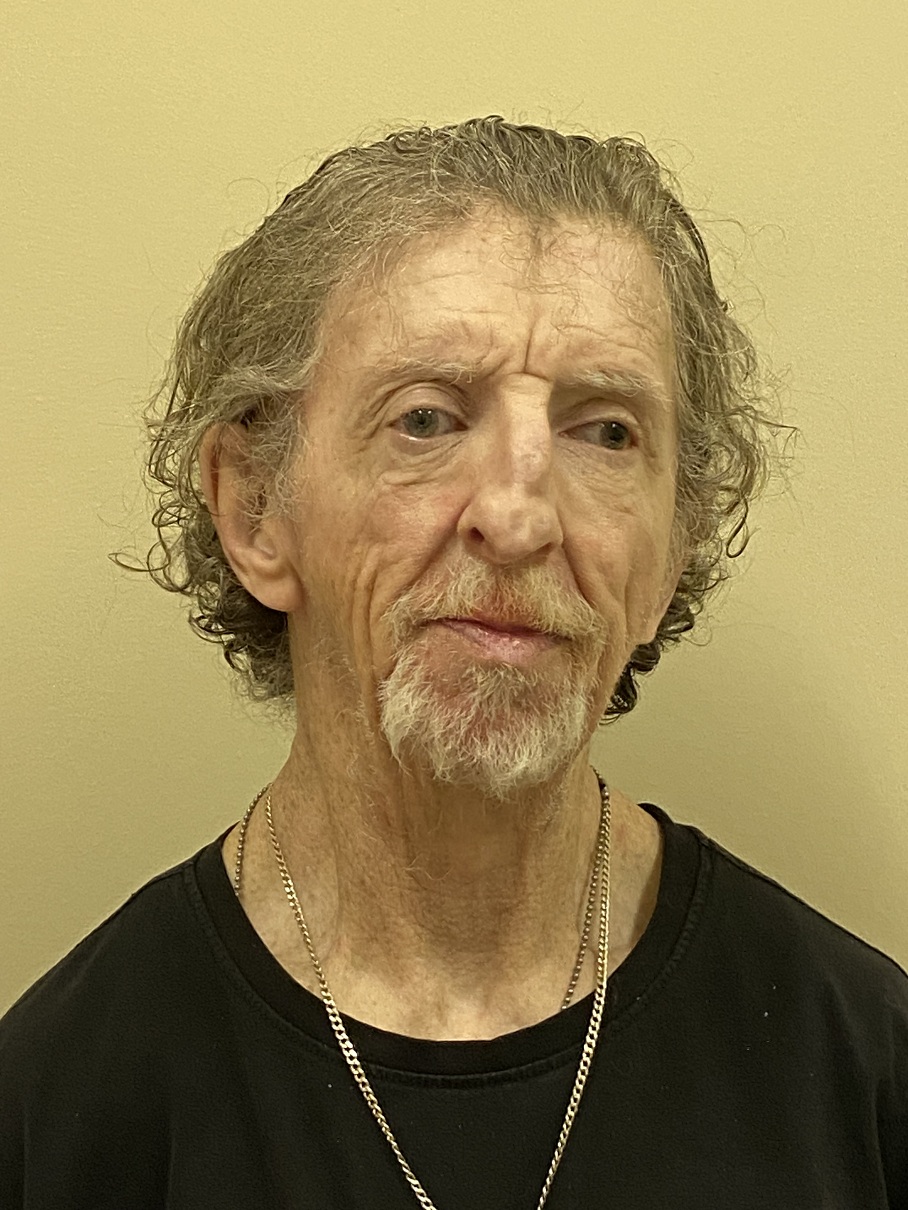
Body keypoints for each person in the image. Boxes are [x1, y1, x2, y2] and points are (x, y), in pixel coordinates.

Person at [2, 116, 906, 1209]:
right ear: (255, 508)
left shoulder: (858, 1071)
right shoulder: (60, 1110)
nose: (518, 517)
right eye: (425, 419)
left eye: (606, 432)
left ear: (671, 550)